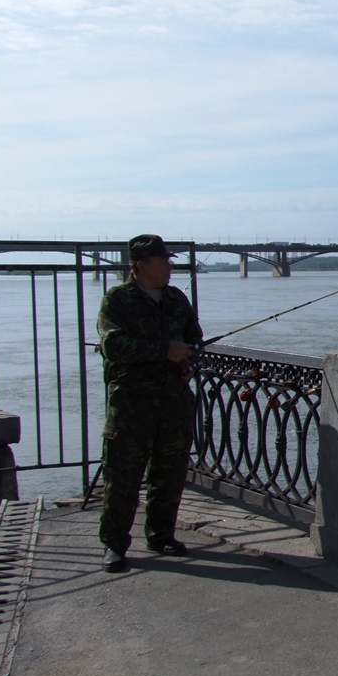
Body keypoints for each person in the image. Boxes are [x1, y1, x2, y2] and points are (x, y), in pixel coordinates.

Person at [97, 234, 203, 573]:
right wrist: (163, 351)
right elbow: (113, 346)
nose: (170, 267)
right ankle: (114, 544)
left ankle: (161, 535)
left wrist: (189, 362)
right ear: (141, 265)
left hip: (173, 400)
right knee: (123, 476)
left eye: (170, 261)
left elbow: (194, 338)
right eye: (162, 262)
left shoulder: (176, 299)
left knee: (169, 473)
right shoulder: (117, 301)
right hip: (131, 404)